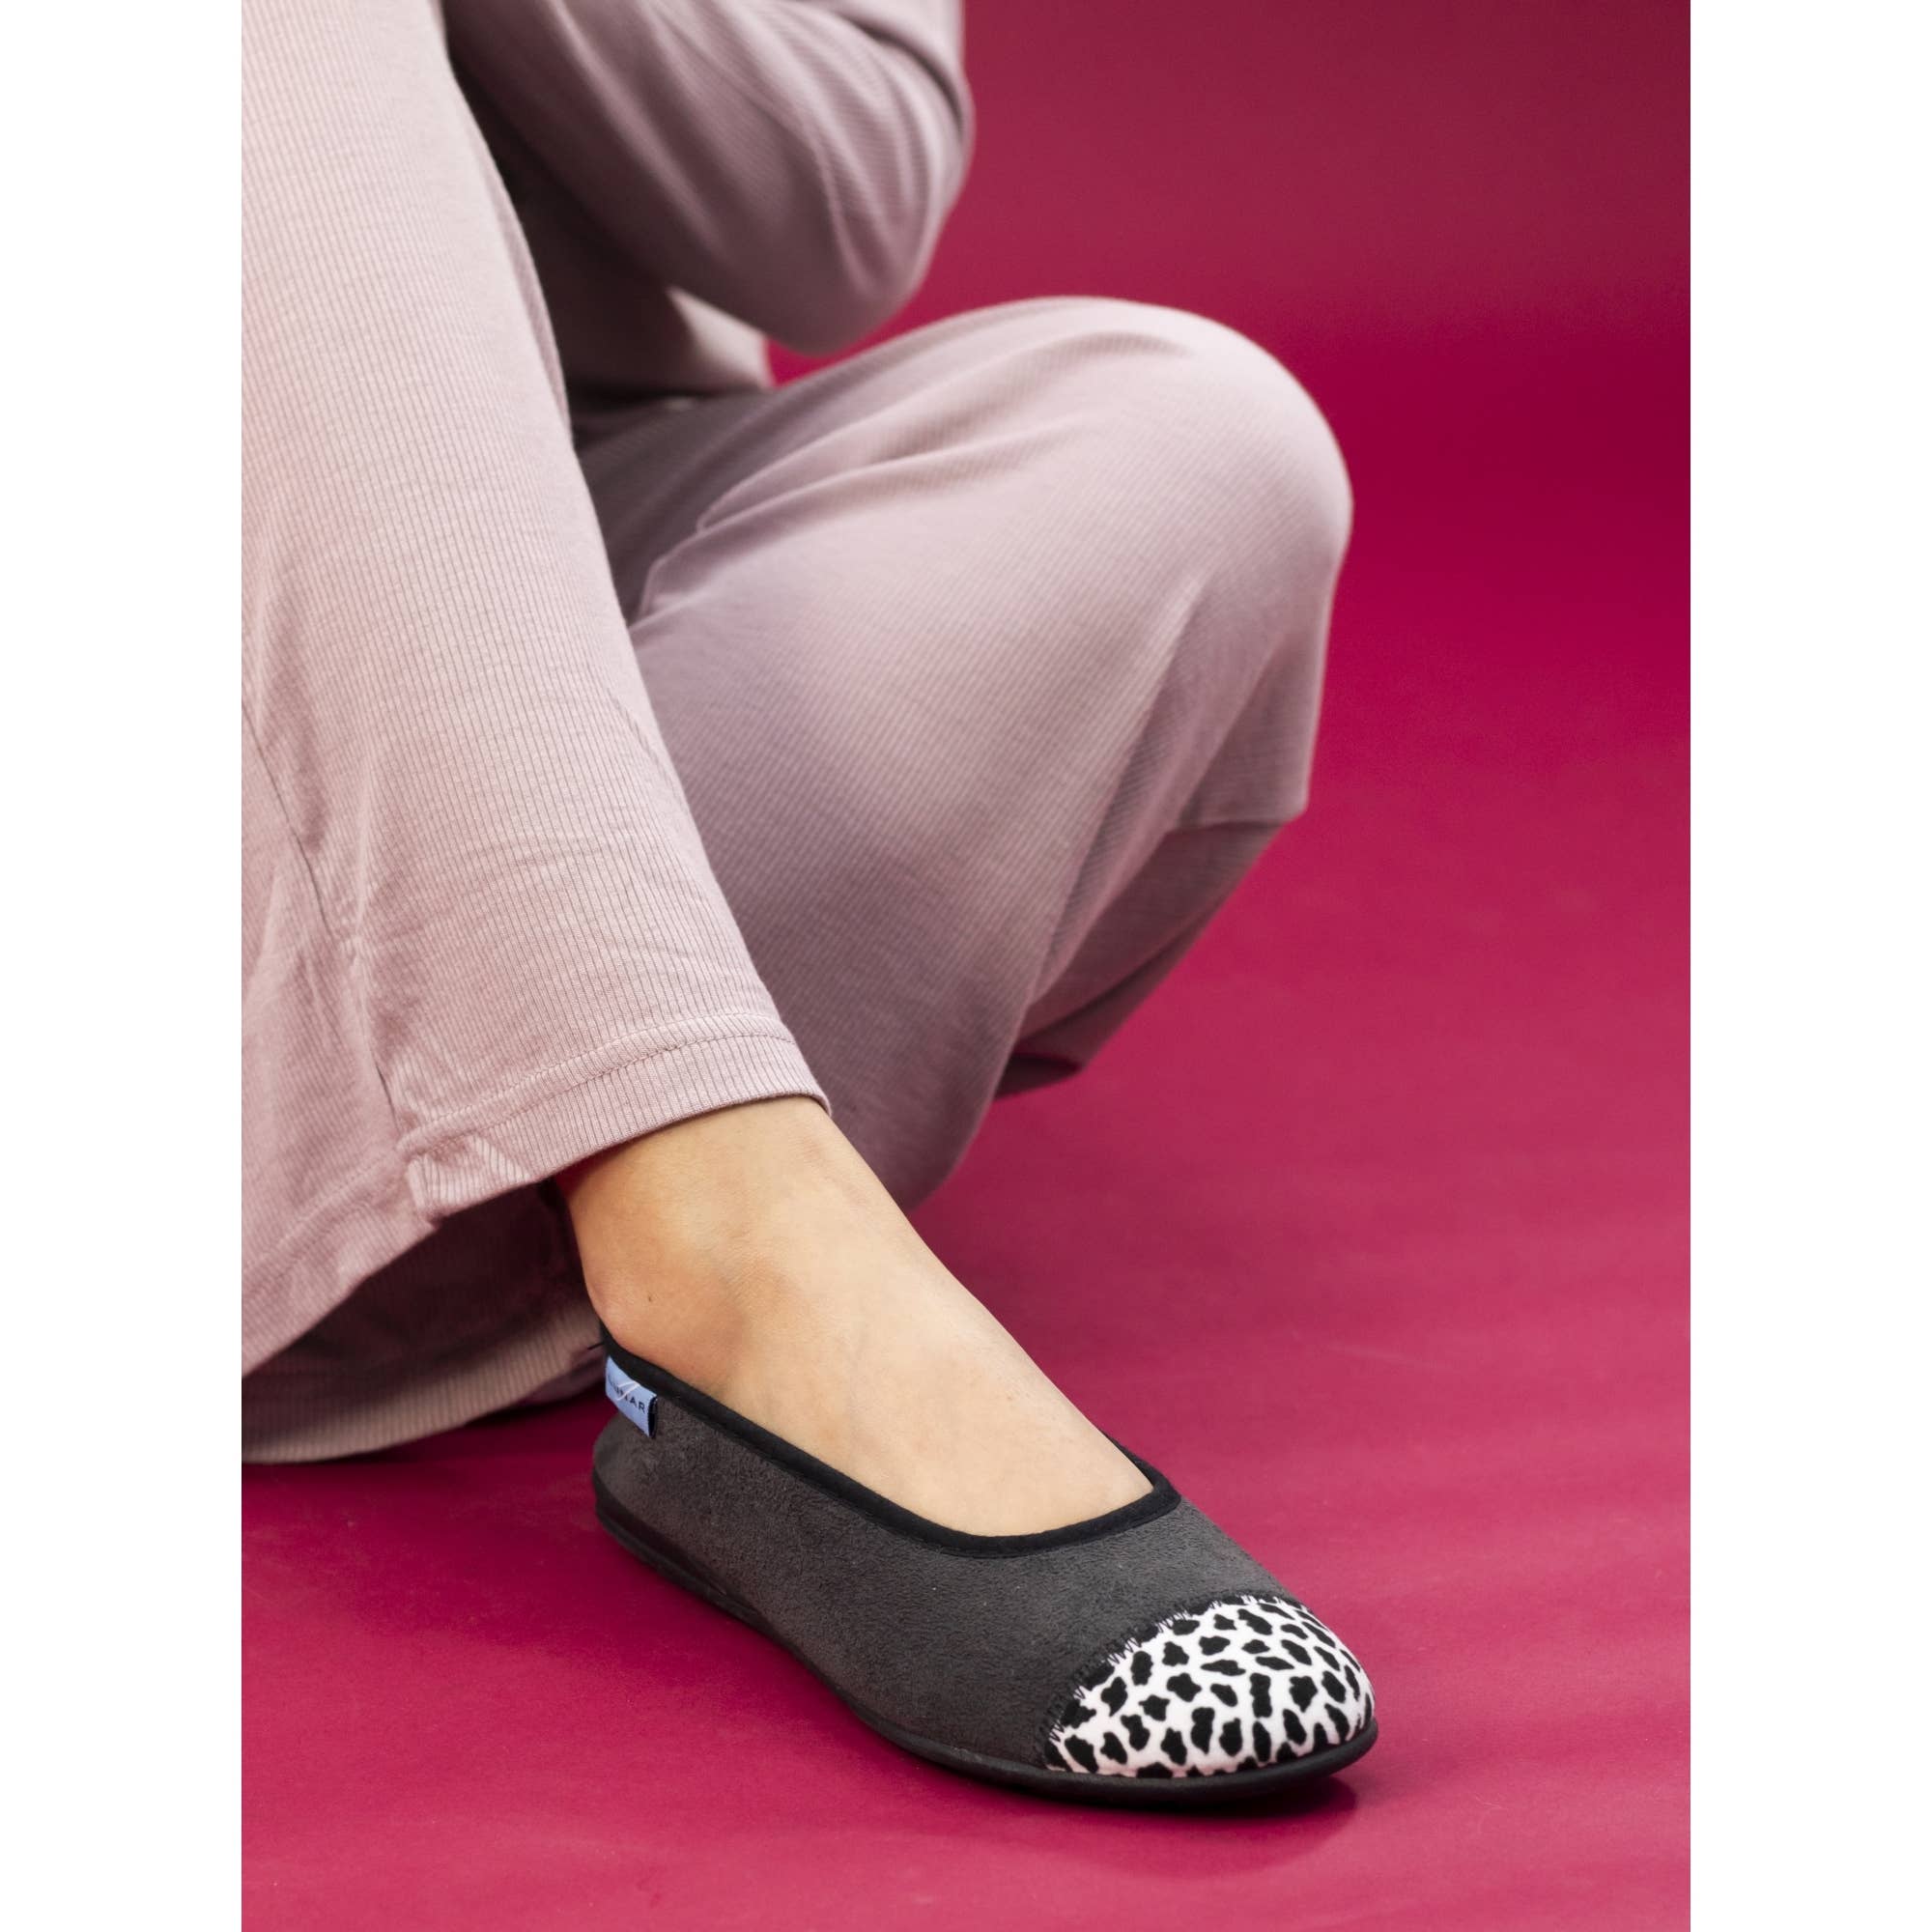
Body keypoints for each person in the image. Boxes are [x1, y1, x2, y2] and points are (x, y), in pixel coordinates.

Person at [242, 0, 1371, 1799]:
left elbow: (836, 208)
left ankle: (593, 1155)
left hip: (550, 555)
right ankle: (727, 1234)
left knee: (1200, 440)